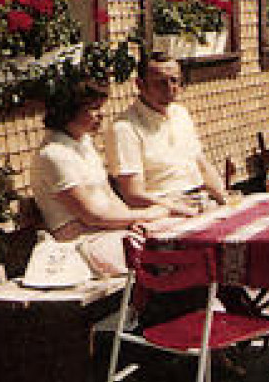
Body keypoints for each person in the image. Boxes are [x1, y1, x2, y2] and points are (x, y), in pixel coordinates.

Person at [31, 80, 172, 277]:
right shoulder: (54, 154)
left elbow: (108, 195)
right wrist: (145, 215)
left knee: (173, 236)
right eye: (93, 109)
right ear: (69, 111)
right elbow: (92, 215)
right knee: (164, 252)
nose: (101, 115)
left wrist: (132, 221)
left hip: (106, 233)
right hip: (81, 246)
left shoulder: (83, 142)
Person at [106, 52, 232, 215]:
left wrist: (224, 199)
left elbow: (202, 166)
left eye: (174, 80)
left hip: (201, 201)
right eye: (160, 82)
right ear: (140, 84)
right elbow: (133, 195)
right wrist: (178, 208)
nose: (170, 88)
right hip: (165, 211)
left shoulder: (181, 114)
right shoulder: (124, 128)